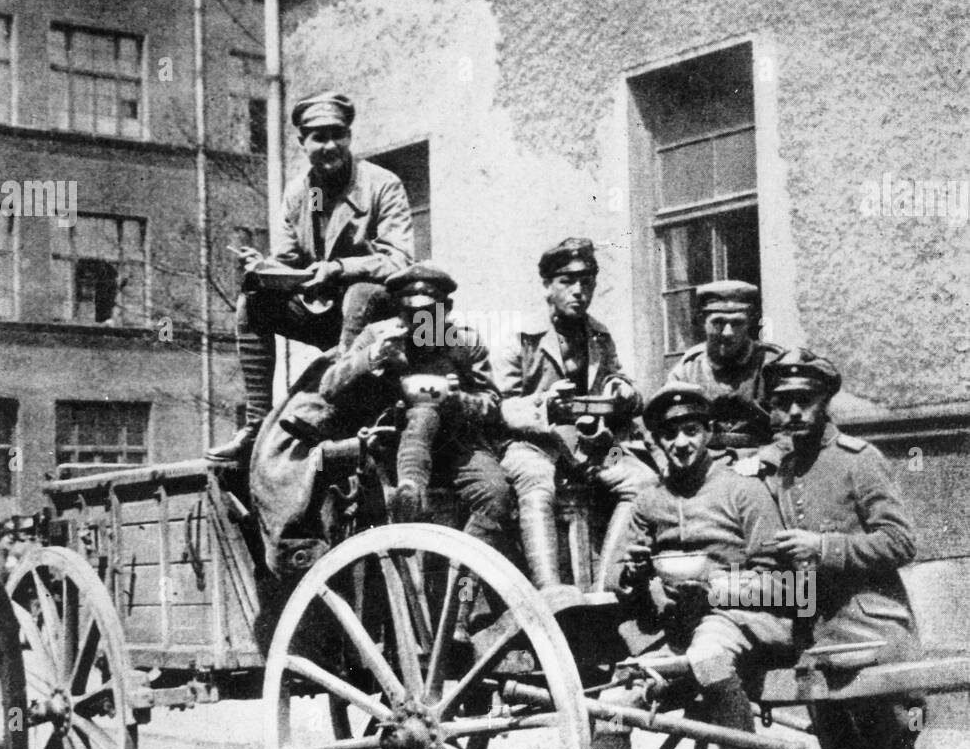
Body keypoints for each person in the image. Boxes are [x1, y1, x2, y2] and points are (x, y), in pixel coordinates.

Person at [759, 349, 944, 749]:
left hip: (871, 632)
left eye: (802, 400)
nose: (792, 411)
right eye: (781, 401)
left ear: (824, 400)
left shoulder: (858, 461)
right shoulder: (780, 468)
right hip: (817, 640)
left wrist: (825, 547)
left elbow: (900, 542)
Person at [585, 383, 797, 749]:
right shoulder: (649, 500)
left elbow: (785, 584)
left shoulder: (742, 491)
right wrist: (638, 580)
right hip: (670, 633)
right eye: (669, 434)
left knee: (707, 657)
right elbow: (615, 578)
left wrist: (713, 588)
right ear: (656, 441)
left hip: (732, 619)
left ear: (707, 434)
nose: (680, 442)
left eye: (690, 430)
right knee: (612, 706)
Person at [207, 91, 413, 467]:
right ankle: (255, 426)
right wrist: (265, 269)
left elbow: (399, 261)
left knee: (361, 293)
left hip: (383, 319)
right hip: (327, 315)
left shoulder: (381, 185)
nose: (330, 145)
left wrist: (339, 269)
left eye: (338, 134)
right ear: (303, 143)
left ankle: (330, 409)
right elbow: (290, 260)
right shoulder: (303, 195)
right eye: (319, 137)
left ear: (350, 136)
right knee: (253, 301)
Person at [494, 238, 656, 596]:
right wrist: (544, 406)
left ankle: (606, 585)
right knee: (536, 486)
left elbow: (622, 382)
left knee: (640, 480)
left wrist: (621, 392)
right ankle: (551, 594)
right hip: (534, 448)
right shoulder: (521, 338)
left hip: (593, 448)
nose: (579, 292)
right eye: (567, 282)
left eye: (587, 282)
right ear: (548, 287)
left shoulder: (599, 336)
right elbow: (498, 407)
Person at [318, 262, 512, 555]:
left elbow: (492, 404)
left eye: (430, 316)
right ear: (400, 311)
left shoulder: (464, 342)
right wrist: (372, 357)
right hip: (395, 444)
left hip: (456, 443)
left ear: (446, 310)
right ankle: (409, 494)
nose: (421, 324)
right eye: (413, 315)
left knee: (496, 494)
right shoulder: (378, 335)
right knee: (422, 412)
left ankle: (462, 575)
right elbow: (329, 387)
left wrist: (460, 401)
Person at [668, 280, 785, 457]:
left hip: (762, 462)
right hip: (704, 465)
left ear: (751, 321)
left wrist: (768, 458)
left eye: (737, 323)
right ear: (702, 320)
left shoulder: (772, 364)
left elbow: (793, 429)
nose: (728, 332)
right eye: (718, 323)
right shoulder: (687, 371)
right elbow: (668, 428)